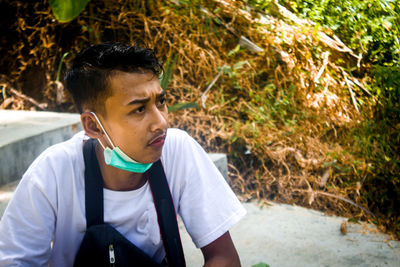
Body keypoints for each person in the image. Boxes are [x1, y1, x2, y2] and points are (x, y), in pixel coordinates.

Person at [0, 42, 246, 266]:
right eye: (139, 109)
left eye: (160, 102)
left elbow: (222, 256)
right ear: (93, 126)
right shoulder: (52, 173)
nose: (160, 122)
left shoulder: (177, 150)